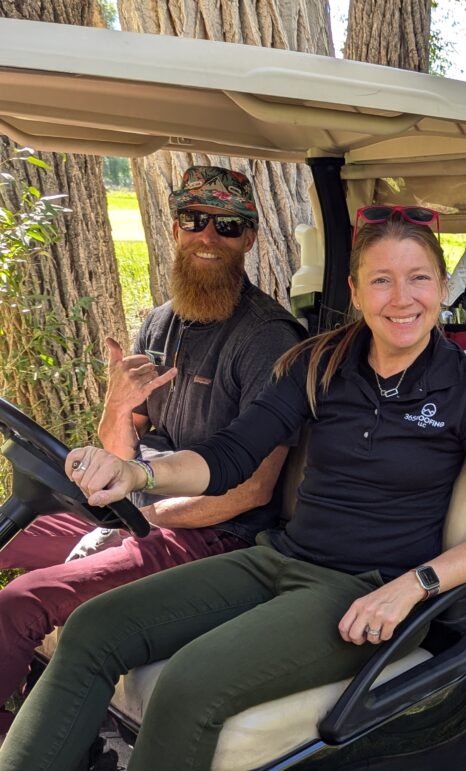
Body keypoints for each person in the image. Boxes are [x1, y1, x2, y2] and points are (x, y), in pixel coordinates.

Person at [0, 205, 466, 771]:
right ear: (356, 291)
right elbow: (231, 456)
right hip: (278, 560)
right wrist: (140, 475)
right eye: (382, 280)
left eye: (418, 278)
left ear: (443, 287)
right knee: (93, 627)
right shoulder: (320, 363)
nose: (402, 298)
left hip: (367, 590)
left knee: (191, 682)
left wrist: (415, 586)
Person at [0, 165, 304, 738]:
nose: (208, 237)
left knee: (20, 600)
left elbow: (252, 490)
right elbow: (120, 456)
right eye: (195, 220)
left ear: (251, 238)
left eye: (227, 226)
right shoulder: (161, 323)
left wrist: (144, 516)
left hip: (215, 534)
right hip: (139, 510)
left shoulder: (266, 338)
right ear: (174, 227)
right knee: (9, 540)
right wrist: (116, 410)